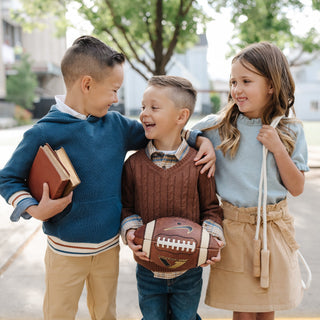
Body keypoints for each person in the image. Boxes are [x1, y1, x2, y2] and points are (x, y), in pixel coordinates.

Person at [0, 36, 216, 320]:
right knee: (59, 313)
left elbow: (162, 130)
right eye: (113, 90)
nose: (117, 98)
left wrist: (200, 140)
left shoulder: (115, 126)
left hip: (108, 249)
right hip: (65, 251)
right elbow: (8, 179)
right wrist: (35, 209)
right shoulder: (44, 132)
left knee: (105, 313)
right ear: (87, 84)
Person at [192, 41, 309, 320]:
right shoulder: (219, 127)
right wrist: (202, 142)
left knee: (267, 307)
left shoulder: (291, 130)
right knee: (243, 311)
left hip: (273, 229)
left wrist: (278, 148)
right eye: (233, 82)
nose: (236, 90)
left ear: (271, 85)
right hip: (234, 229)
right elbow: (184, 132)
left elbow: (297, 187)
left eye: (246, 81)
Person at [121, 75, 225, 320]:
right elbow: (126, 207)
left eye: (154, 107)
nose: (144, 113)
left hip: (189, 269)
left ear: (181, 117)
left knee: (186, 318)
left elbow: (211, 208)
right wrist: (130, 234)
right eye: (143, 106)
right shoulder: (134, 165)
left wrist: (212, 239)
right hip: (147, 267)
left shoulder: (199, 163)